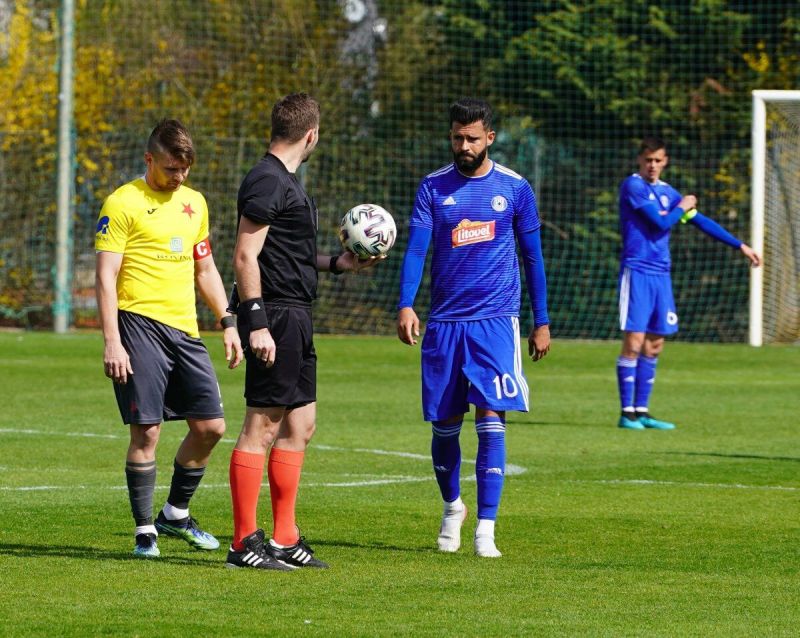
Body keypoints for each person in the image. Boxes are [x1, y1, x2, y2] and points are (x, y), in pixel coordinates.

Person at [226, 92, 381, 571]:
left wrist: (337, 263)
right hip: (274, 316)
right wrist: (255, 324)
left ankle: (284, 537)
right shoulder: (267, 180)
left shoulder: (288, 183)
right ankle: (242, 543)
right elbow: (245, 255)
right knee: (263, 426)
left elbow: (286, 255)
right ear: (311, 134)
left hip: (297, 314)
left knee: (301, 426)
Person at [396, 98, 550, 558]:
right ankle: (451, 508)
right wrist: (406, 304)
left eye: (472, 138)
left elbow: (533, 258)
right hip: (444, 323)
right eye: (457, 137)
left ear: (490, 138)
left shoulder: (515, 189)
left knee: (491, 421)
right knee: (444, 426)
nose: (463, 145)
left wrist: (541, 320)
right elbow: (417, 251)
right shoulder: (432, 188)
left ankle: (487, 528)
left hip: (496, 322)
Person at [95, 119, 243, 558]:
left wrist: (228, 320)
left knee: (211, 427)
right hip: (137, 324)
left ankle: (175, 513)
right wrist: (111, 341)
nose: (178, 177)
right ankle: (145, 532)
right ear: (149, 159)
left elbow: (205, 269)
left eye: (184, 170)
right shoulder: (122, 202)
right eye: (170, 168)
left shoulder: (195, 203)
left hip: (185, 330)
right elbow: (106, 278)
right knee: (148, 431)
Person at [615, 136, 761, 430]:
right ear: (639, 161)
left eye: (658, 161)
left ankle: (642, 410)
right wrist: (683, 206)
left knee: (655, 344)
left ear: (665, 161)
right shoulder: (634, 186)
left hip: (661, 274)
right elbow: (661, 223)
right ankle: (626, 413)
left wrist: (740, 245)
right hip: (638, 271)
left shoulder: (669, 193)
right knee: (634, 341)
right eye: (648, 160)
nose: (653, 166)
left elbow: (702, 221)